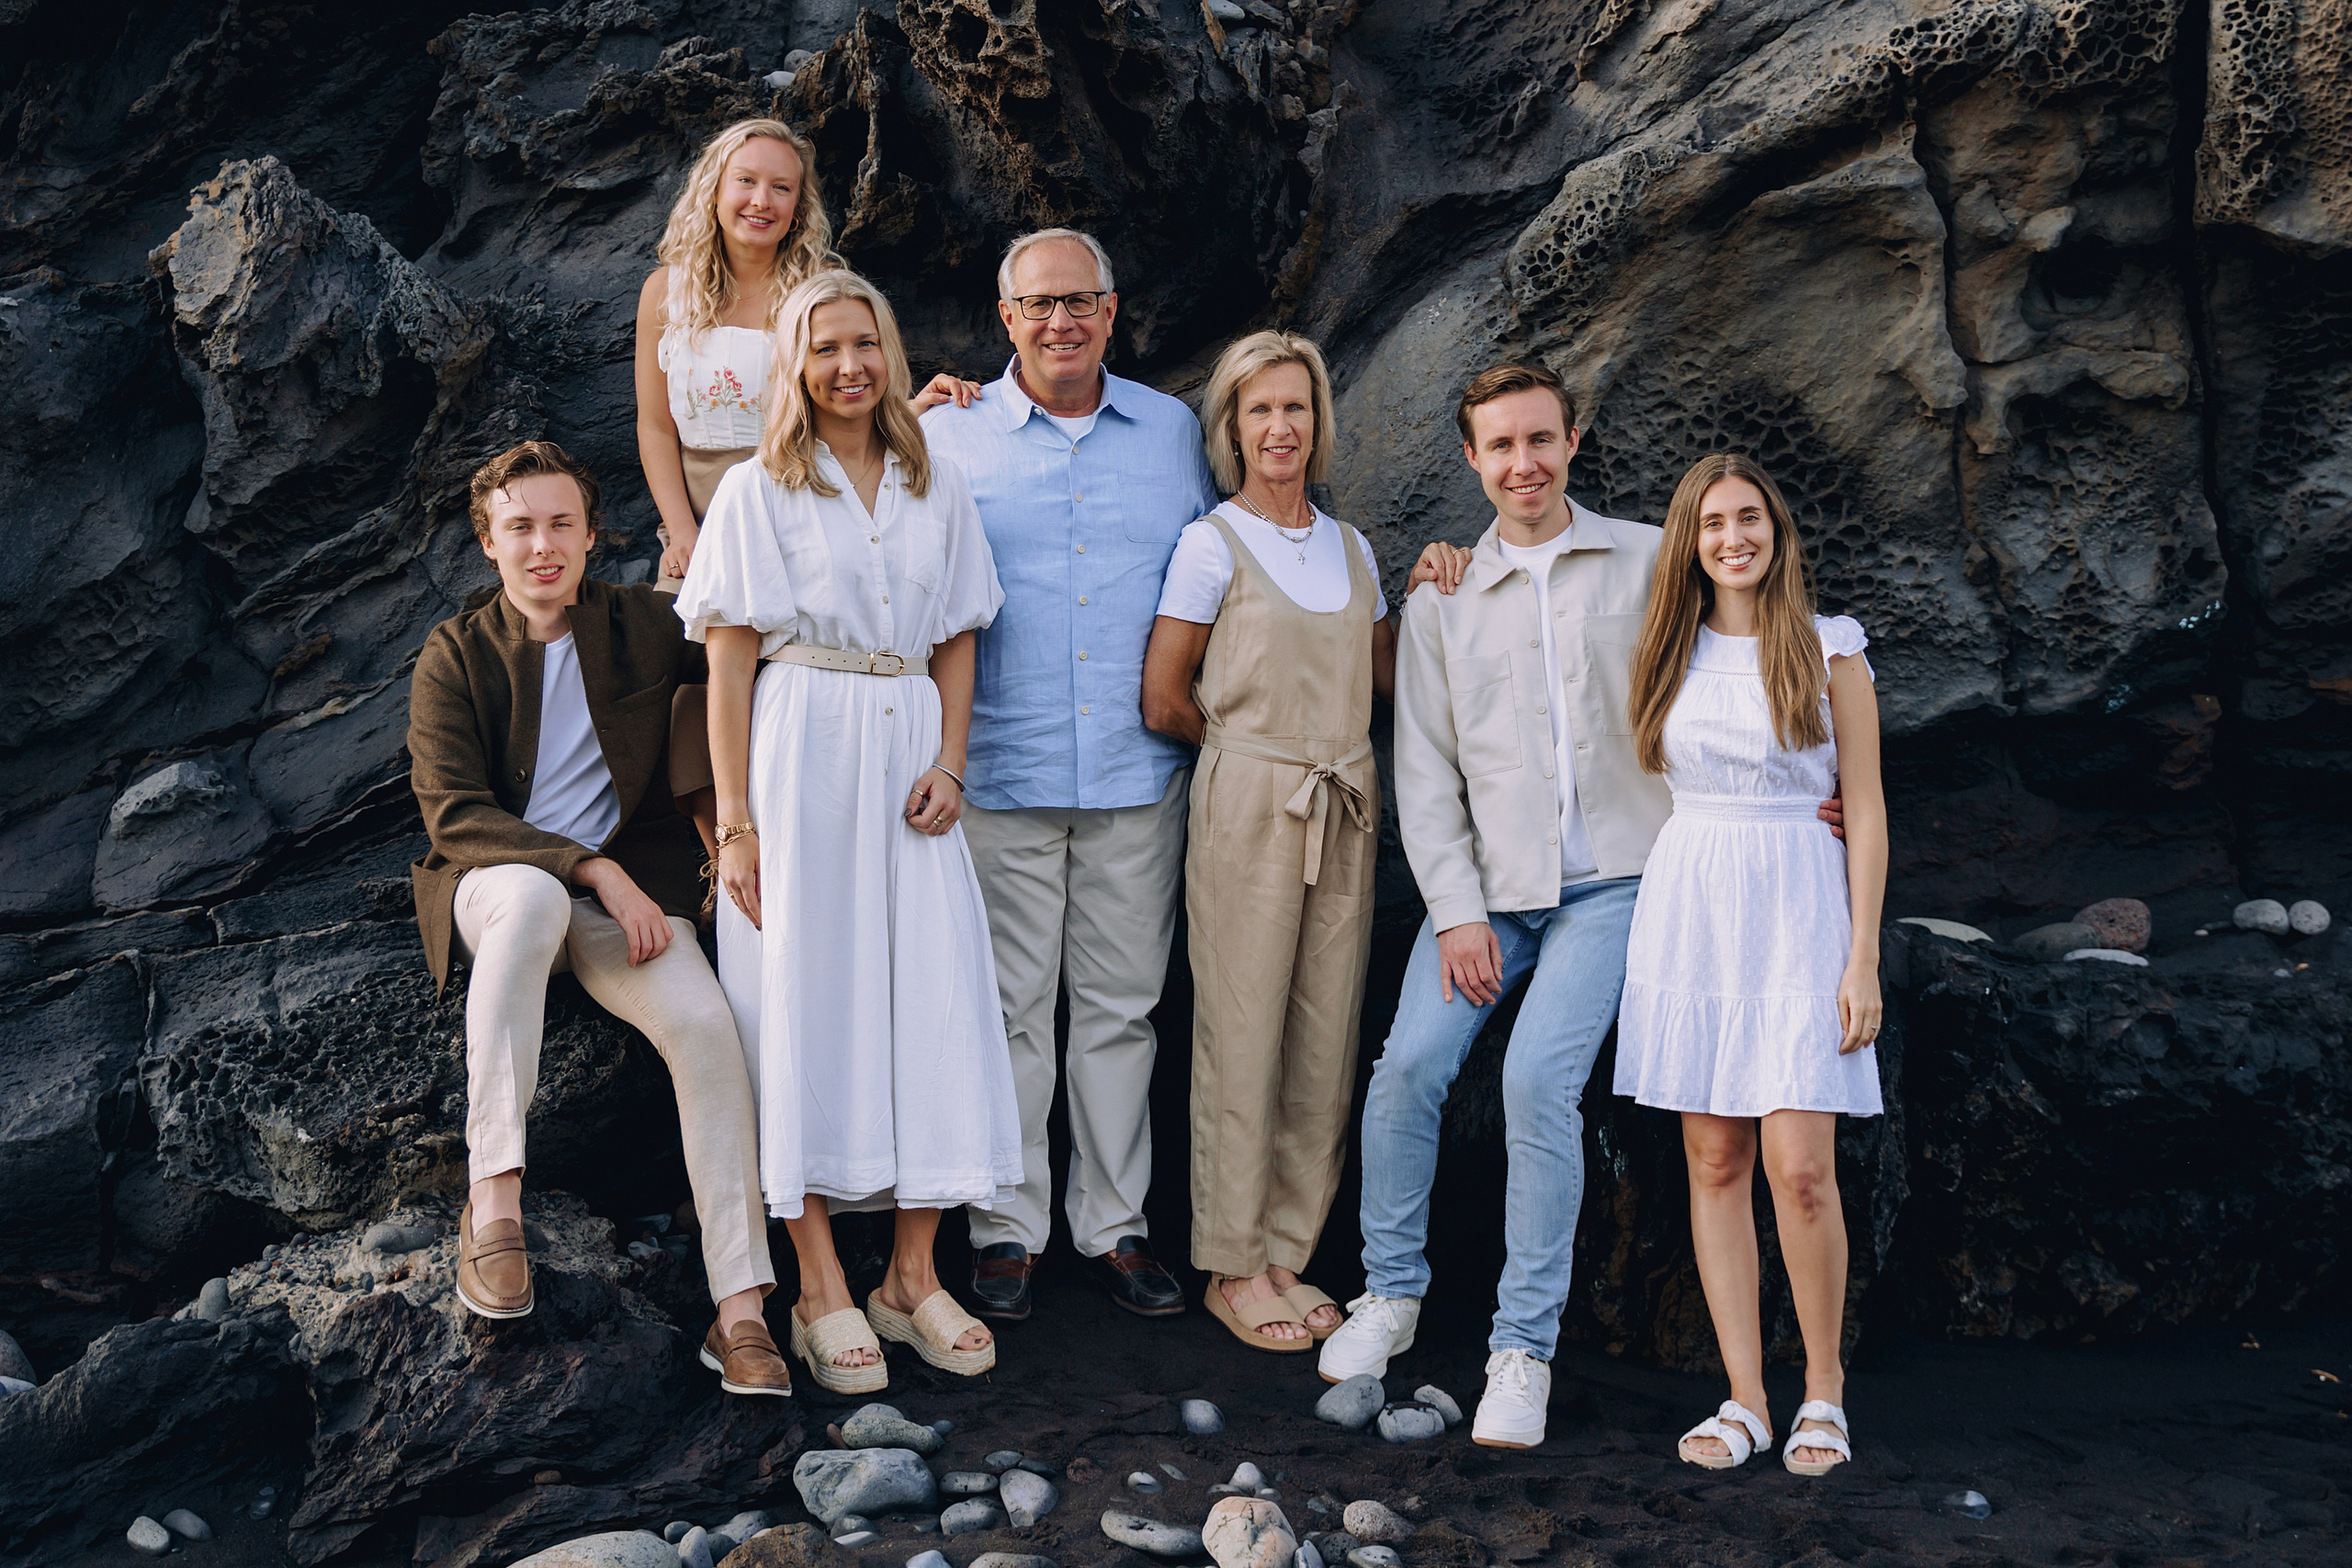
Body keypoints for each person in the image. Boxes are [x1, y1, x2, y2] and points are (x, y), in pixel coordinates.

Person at [676, 268, 1019, 1394]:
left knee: (933, 994)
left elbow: (961, 630)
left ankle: (911, 1276)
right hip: (800, 750)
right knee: (802, 1004)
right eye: (823, 347)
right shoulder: (756, 491)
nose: (849, 366)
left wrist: (952, 760)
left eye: (864, 342)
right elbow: (727, 661)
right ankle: (820, 1282)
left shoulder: (936, 477)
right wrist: (736, 826)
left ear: (889, 346)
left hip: (909, 745)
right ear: (794, 363)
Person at [406, 440, 788, 1397]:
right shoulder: (453, 655)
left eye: (562, 525)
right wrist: (590, 868)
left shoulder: (646, 625)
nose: (544, 546)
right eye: (521, 527)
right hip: (502, 888)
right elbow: (453, 813)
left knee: (708, 1031)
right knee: (535, 895)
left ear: (590, 534)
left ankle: (740, 1310)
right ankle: (493, 1207)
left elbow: (758, 640)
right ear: (488, 542)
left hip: (631, 906)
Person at [914, 228, 1221, 1323]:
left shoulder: (1173, 431)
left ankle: (1115, 1224)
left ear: (1111, 307)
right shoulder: (946, 436)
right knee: (1006, 1013)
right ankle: (1005, 1227)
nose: (1060, 321)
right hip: (999, 765)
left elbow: (1214, 572)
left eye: (1079, 301)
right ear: (1006, 320)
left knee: (1121, 1010)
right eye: (1037, 304)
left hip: (1139, 776)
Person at [1612, 453, 1885, 1476]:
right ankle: (1745, 1397)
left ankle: (1824, 1391)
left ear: (1777, 532)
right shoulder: (1663, 651)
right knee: (1714, 1161)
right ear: (1689, 539)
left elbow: (1863, 806)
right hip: (1694, 908)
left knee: (1800, 1168)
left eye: (1750, 519)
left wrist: (1861, 957)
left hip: (1802, 912)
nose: (1733, 537)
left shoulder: (1829, 651)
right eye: (1713, 522)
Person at [633, 118, 975, 891]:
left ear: (801, 202)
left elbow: (849, 391)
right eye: (746, 182)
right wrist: (682, 533)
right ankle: (728, 854)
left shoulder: (814, 285)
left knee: (791, 677)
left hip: (801, 506)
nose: (762, 200)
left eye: (781, 188)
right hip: (700, 519)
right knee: (699, 688)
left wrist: (917, 407)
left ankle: (813, 852)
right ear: (713, 191)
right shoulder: (668, 291)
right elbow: (655, 428)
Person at [1140, 330, 1392, 1350]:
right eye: (1258, 412)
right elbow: (1163, 697)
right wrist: (1255, 757)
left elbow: (1393, 684)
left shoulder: (1354, 547)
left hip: (1346, 798)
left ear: (1317, 421)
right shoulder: (1212, 544)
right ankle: (1232, 1263)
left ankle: (1290, 1247)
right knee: (1239, 1032)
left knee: (1324, 1035)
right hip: (1251, 796)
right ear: (1231, 429)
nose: (1278, 428)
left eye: (1294, 408)